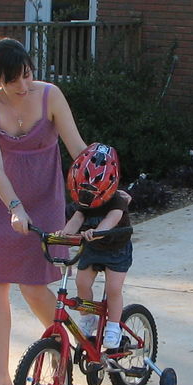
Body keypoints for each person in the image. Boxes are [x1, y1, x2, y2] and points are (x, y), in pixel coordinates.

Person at [0, 34, 87, 385]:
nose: (23, 85)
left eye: (27, 75)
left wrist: (103, 190)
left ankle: (59, 345)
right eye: (13, 80)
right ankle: (2, 376)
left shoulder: (50, 95)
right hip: (4, 203)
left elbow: (79, 150)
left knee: (35, 285)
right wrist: (14, 207)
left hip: (45, 200)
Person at [58, 143, 133, 350]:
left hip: (116, 250)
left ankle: (113, 326)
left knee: (113, 289)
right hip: (93, 249)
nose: (89, 196)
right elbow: (77, 217)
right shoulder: (84, 201)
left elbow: (112, 219)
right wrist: (64, 234)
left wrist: (98, 230)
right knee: (82, 284)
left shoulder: (117, 200)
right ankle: (88, 318)